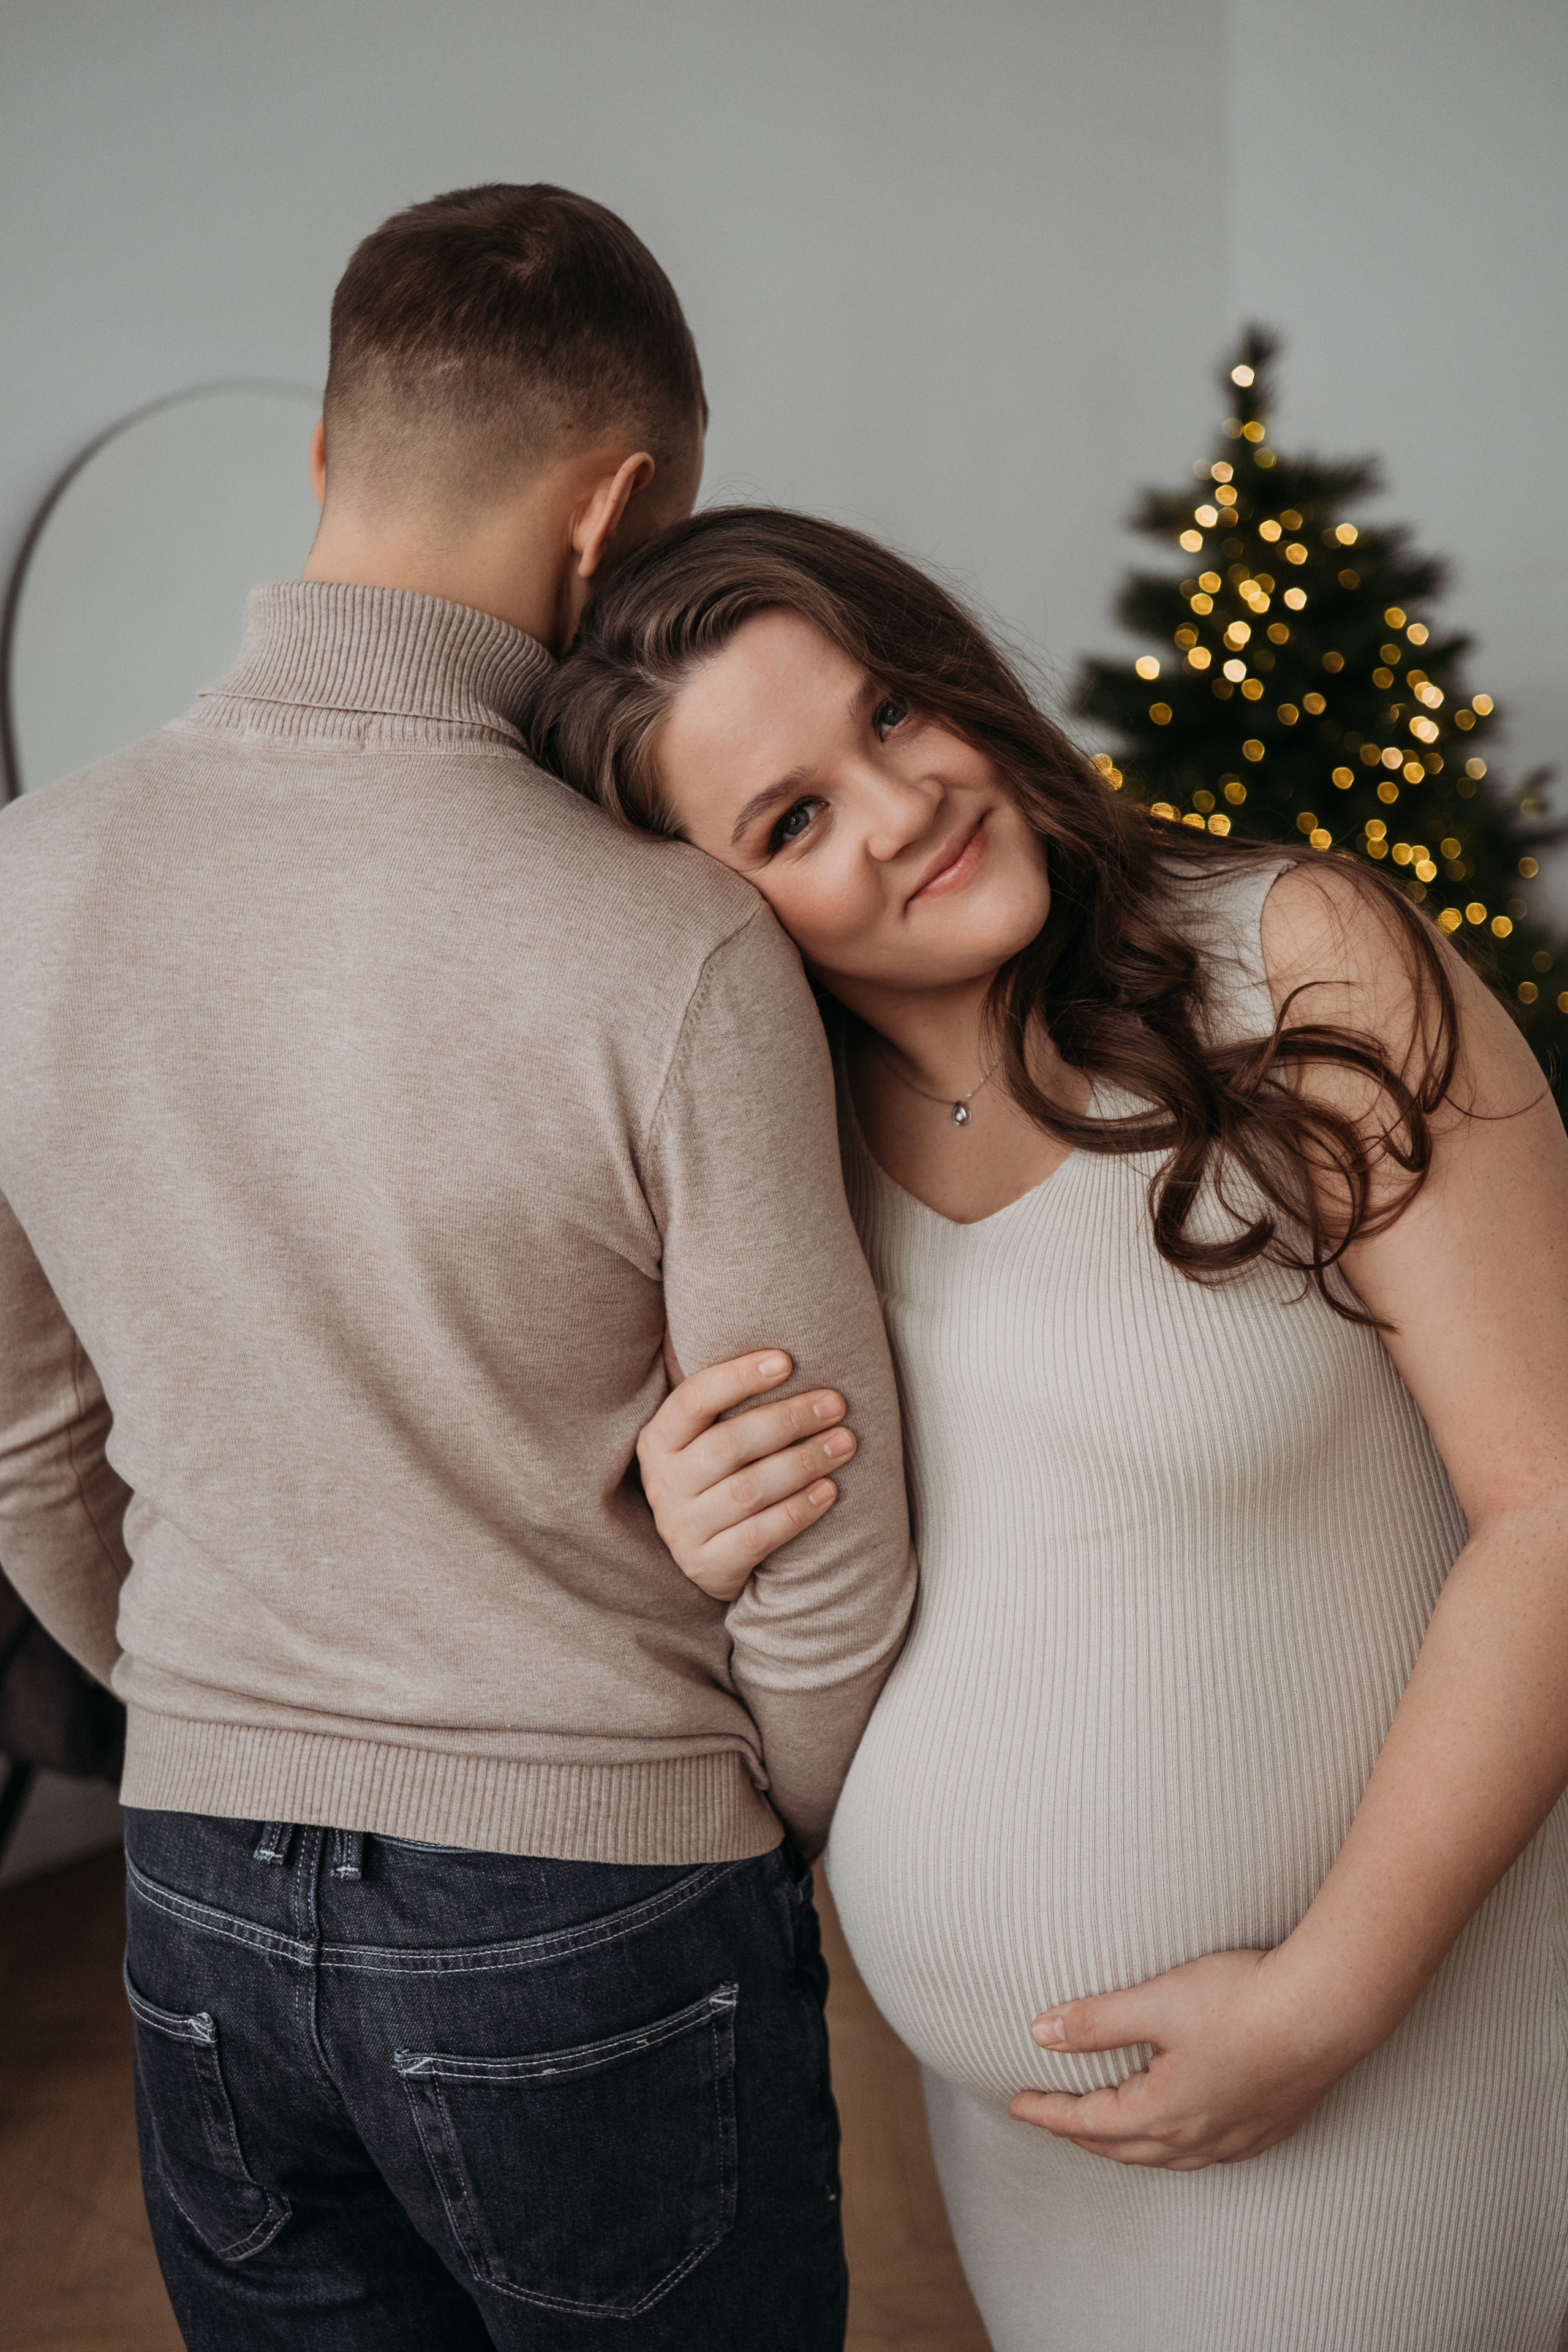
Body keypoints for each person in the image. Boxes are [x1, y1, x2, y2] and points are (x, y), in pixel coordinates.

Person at [0, 198, 915, 2350]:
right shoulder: (674, 942)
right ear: (619, 515)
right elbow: (823, 1515)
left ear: (324, 459)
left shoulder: (19, 896)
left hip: (196, 1885)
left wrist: (215, 1713)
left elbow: (31, 1447)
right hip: (599, 1889)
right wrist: (739, 1812)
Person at [529, 505, 1568, 2352]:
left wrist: (1324, 2002)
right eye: (792, 821)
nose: (900, 806)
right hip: (1031, 2158)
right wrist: (685, 1526)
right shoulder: (769, 1162)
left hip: (1393, 2059)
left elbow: (1557, 1504)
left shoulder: (1297, 956)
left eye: (893, 715)